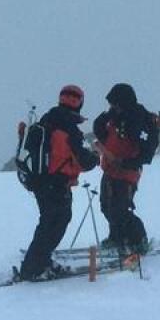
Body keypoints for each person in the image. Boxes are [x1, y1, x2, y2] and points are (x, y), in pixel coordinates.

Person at [18, 84, 100, 281]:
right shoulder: (68, 128)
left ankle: (38, 263)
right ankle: (34, 268)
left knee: (49, 222)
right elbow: (83, 161)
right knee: (54, 223)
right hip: (56, 183)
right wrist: (96, 157)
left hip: (38, 181)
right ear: (79, 103)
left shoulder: (47, 120)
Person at [93, 83, 160, 255]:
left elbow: (147, 151)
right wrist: (107, 115)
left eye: (114, 104)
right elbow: (99, 129)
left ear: (123, 102)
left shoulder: (138, 119)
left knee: (120, 209)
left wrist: (127, 162)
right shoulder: (116, 116)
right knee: (106, 206)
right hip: (110, 167)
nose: (112, 107)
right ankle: (117, 237)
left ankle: (139, 240)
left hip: (127, 171)